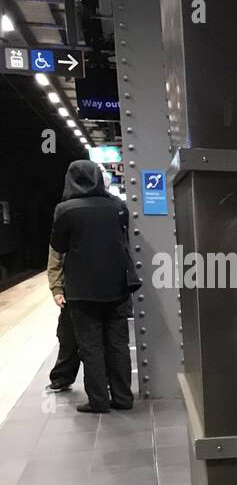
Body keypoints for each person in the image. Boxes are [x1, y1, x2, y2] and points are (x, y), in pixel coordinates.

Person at [48, 161, 139, 413]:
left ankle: (98, 401)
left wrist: (57, 288)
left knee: (91, 347)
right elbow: (123, 241)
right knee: (118, 344)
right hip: (117, 288)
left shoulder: (65, 210)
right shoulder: (118, 207)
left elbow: (59, 247)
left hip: (82, 291)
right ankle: (123, 398)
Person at [44, 246, 81, 392]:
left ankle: (108, 378)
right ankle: (62, 377)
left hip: (95, 285)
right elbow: (55, 257)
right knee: (67, 335)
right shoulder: (62, 224)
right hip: (71, 287)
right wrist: (57, 288)